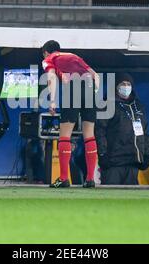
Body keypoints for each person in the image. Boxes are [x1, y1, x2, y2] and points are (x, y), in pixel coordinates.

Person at [41, 40, 100, 188]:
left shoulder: (49, 59)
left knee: (65, 135)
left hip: (72, 88)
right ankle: (90, 179)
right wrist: (94, 93)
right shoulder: (74, 56)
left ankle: (63, 178)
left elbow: (52, 77)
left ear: (46, 52)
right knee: (89, 134)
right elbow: (95, 75)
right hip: (89, 87)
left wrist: (52, 101)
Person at [95, 73, 149, 185]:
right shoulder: (107, 104)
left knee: (131, 199)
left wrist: (146, 154)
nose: (126, 87)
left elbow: (144, 132)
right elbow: (99, 131)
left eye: (128, 84)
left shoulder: (138, 106)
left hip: (133, 161)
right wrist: (102, 154)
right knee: (111, 198)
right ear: (116, 86)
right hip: (113, 162)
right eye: (123, 84)